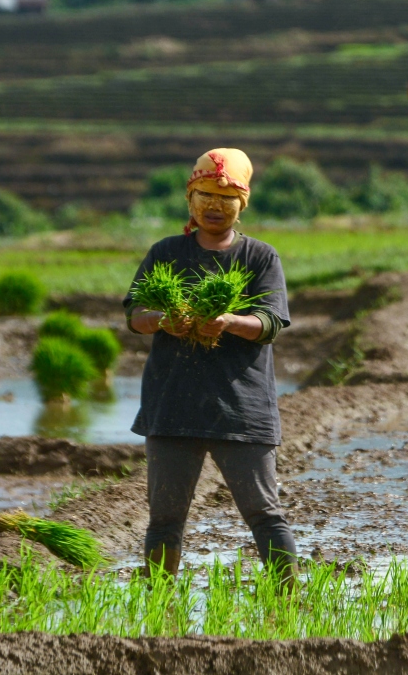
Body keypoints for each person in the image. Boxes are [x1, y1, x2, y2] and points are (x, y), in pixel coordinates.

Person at [124, 148, 297, 581]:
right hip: (172, 406)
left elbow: (272, 323)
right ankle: (157, 606)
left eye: (226, 198)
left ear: (243, 204)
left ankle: (289, 601)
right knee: (165, 518)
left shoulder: (260, 257)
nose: (214, 207)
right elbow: (134, 315)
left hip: (240, 408)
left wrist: (230, 322)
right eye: (205, 195)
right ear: (190, 199)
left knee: (264, 513)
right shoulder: (165, 252)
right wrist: (165, 320)